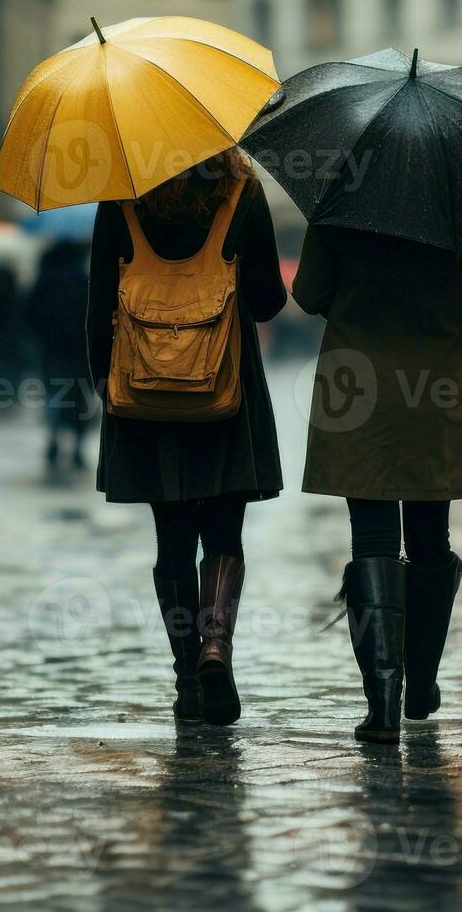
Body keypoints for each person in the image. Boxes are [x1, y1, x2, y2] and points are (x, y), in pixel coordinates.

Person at [88, 149, 286, 728]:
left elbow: (99, 299)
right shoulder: (240, 190)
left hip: (146, 395)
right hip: (225, 386)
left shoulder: (122, 197)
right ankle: (215, 649)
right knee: (223, 531)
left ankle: (185, 680)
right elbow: (269, 301)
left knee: (171, 536)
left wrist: (105, 379)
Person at [292, 223, 462, 744]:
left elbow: (309, 293)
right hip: (434, 386)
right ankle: (423, 682)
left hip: (358, 387)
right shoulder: (460, 203)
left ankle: (383, 699)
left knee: (372, 537)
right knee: (431, 535)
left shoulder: (341, 191)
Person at [24, 239, 95, 473]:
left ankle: (53, 438)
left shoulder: (45, 280)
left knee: (54, 393)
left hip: (52, 349)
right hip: (79, 349)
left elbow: (31, 314)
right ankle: (77, 446)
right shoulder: (83, 280)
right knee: (80, 397)